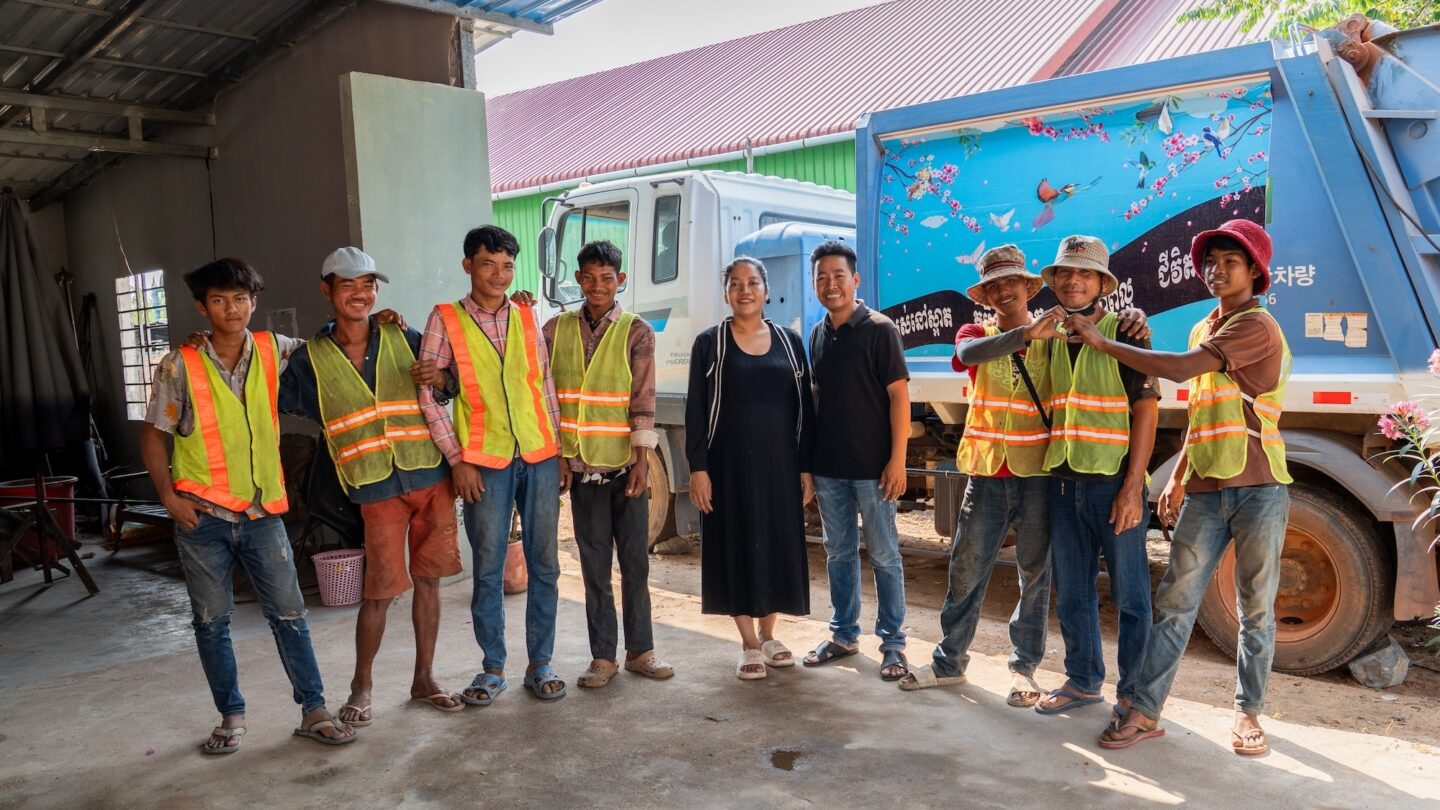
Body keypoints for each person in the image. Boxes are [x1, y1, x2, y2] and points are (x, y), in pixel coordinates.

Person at [1069, 221, 1291, 755]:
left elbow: (1182, 370)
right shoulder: (1203, 326)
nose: (1216, 270)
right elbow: (1200, 411)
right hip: (1209, 489)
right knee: (1175, 602)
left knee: (1253, 607)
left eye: (1229, 262)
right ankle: (1145, 711)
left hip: (1260, 485)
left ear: (1253, 271)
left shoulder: (1256, 326)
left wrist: (1102, 342)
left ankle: (1248, 713)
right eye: (1210, 261)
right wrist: (1179, 479)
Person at [138, 257, 356, 754]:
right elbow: (153, 435)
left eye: (240, 299)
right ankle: (231, 717)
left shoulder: (274, 350)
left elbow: (335, 345)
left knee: (289, 615)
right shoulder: (180, 364)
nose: (231, 309)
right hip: (201, 517)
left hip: (262, 516)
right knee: (212, 623)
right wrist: (168, 496)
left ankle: (314, 709)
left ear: (253, 303)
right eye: (219, 300)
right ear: (202, 306)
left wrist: (388, 322)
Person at [277, 246, 464, 727]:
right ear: (327, 291)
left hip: (429, 474)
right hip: (373, 485)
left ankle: (424, 679)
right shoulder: (308, 360)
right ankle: (362, 686)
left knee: (429, 581)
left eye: (368, 285)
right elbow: (267, 388)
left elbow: (452, 381)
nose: (360, 294)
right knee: (378, 592)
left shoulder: (404, 335)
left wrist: (441, 376)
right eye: (348, 285)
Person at [415, 225, 566, 704]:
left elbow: (543, 385)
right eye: (488, 265)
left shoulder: (525, 314)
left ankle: (540, 664)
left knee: (545, 566)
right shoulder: (446, 319)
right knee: (488, 568)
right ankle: (493, 669)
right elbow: (430, 397)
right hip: (484, 462)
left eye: (506, 267)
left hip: (539, 455)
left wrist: (557, 449)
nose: (498, 275)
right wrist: (458, 461)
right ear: (468, 266)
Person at [1029, 235, 1159, 726]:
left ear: (1102, 284)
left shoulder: (1126, 332)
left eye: (1084, 274)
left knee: (1130, 595)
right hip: (1063, 482)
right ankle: (1083, 681)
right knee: (1075, 591)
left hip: (1113, 485)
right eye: (1065, 273)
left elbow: (1145, 411)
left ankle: (1135, 695)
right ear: (1055, 282)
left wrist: (1132, 488)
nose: (1073, 280)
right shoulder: (1052, 336)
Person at [541, 240, 674, 688]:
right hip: (581, 472)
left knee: (635, 565)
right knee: (594, 567)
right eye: (589, 277)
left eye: (607, 278)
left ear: (621, 280)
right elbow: (546, 397)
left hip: (624, 468)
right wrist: (560, 457)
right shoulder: (554, 329)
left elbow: (643, 399)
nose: (598, 286)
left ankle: (641, 651)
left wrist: (642, 461)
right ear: (577, 279)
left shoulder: (637, 331)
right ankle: (603, 657)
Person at [685, 257, 815, 680]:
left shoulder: (790, 342)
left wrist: (805, 466)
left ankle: (770, 632)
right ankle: (748, 642)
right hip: (728, 468)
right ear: (726, 292)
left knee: (777, 543)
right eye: (736, 284)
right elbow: (696, 409)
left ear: (765, 289)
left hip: (780, 466)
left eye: (752, 282)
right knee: (736, 544)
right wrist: (698, 468)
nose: (745, 290)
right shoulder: (711, 343)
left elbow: (805, 410)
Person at [801, 240, 912, 681]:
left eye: (839, 276)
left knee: (885, 555)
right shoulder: (817, 334)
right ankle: (844, 634)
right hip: (829, 469)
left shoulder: (880, 329)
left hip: (874, 470)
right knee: (838, 553)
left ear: (855, 281)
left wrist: (898, 460)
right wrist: (807, 466)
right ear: (814, 285)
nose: (831, 285)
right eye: (822, 278)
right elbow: (814, 403)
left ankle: (894, 645)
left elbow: (899, 397)